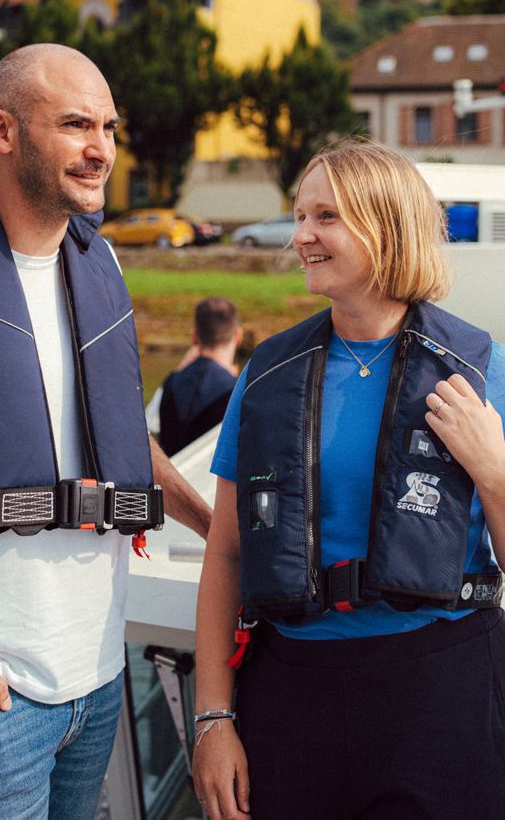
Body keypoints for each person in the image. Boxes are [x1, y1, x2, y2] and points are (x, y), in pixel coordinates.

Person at [0, 43, 211, 820]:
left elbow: (119, 444)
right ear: (3, 129)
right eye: (76, 125)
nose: (102, 151)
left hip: (94, 679)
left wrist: (213, 526)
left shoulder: (100, 262)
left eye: (110, 128)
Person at [192, 137, 505, 820]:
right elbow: (224, 550)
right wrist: (213, 720)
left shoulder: (483, 369)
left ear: (385, 226)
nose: (301, 235)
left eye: (326, 217)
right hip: (295, 690)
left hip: (440, 685)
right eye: (301, 215)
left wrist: (493, 469)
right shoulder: (268, 375)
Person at [145, 297, 242, 456]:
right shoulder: (237, 392)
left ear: (195, 337)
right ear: (238, 336)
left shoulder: (171, 384)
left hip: (171, 477)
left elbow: (149, 427)